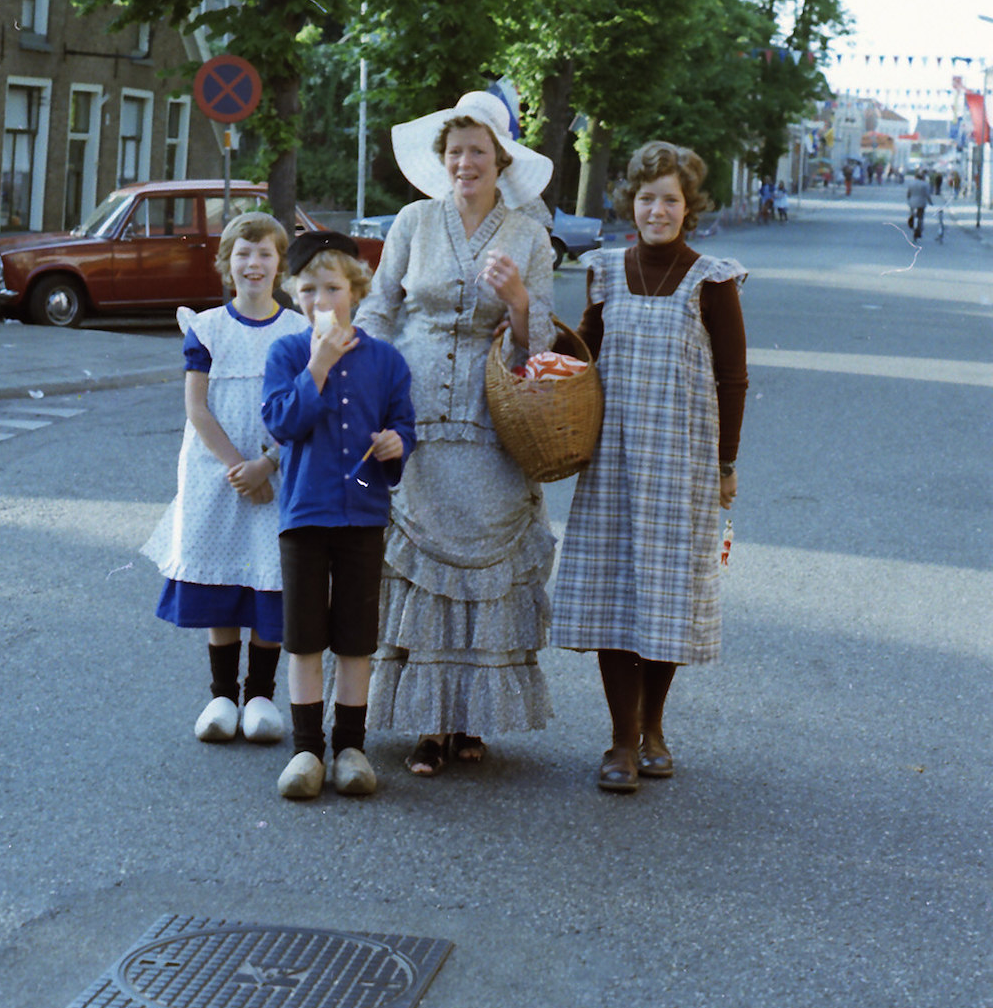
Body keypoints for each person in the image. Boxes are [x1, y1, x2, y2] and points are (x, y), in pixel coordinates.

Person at [354, 90, 557, 776]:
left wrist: (521, 302)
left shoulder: (529, 234)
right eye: (455, 151)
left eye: (478, 151)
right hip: (413, 413)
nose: (465, 162)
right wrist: (363, 387)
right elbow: (380, 308)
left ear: (501, 160)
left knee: (485, 564)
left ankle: (471, 719)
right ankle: (428, 723)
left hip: (493, 417)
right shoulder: (413, 221)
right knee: (419, 559)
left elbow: (545, 346)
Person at [551, 141, 748, 793]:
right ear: (629, 204)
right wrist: (531, 334)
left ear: (688, 209)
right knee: (614, 596)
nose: (656, 210)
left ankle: (653, 727)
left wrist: (726, 463)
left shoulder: (711, 279)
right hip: (612, 460)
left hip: (682, 461)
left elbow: (732, 378)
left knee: (665, 599)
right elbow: (580, 352)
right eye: (646, 198)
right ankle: (619, 740)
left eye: (669, 199)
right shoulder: (605, 270)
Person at [261, 232, 416, 800]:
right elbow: (282, 423)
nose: (322, 301)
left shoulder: (387, 359)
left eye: (333, 288)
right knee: (303, 636)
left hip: (363, 514)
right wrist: (318, 366)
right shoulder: (286, 353)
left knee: (355, 637)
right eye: (308, 290)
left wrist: (398, 443)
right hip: (304, 514)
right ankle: (306, 751)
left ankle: (351, 747)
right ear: (293, 295)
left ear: (356, 290)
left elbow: (405, 424)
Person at [143, 213, 305, 744]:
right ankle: (220, 695)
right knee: (222, 576)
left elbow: (306, 406)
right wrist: (238, 465)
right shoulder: (207, 327)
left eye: (264, 254)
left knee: (268, 575)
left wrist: (268, 463)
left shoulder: (299, 330)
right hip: (217, 471)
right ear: (226, 262)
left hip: (277, 471)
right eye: (243, 253)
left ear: (279, 264)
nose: (253, 264)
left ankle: (260, 695)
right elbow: (197, 406)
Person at [906, 171, 932, 240]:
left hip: (912, 202)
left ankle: (912, 218)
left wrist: (908, 199)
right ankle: (919, 229)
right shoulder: (925, 184)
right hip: (921, 202)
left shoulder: (911, 183)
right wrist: (930, 202)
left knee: (912, 213)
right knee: (920, 217)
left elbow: (908, 193)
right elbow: (927, 194)